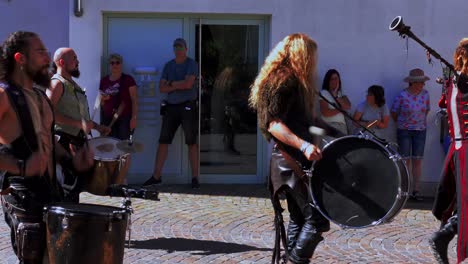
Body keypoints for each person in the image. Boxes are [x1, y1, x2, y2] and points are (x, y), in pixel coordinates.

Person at [0, 31, 93, 263]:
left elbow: (48, 141)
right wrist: (19, 166)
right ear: (20, 59)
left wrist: (71, 161)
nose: (47, 57)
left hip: (50, 193)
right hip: (23, 197)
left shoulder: (41, 98)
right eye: (40, 52)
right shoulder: (4, 96)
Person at [249, 33, 343, 264]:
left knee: (300, 218)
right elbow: (274, 124)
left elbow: (309, 121)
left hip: (292, 161)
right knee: (317, 219)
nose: (313, 60)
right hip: (289, 162)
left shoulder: (295, 82)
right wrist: (303, 145)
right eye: (311, 55)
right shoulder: (282, 80)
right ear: (301, 54)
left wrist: (340, 135)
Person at [47, 47, 110, 202]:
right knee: (67, 190)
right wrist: (78, 124)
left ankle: (70, 224)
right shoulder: (57, 84)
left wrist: (97, 127)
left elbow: (80, 117)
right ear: (61, 62)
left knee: (76, 189)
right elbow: (47, 113)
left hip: (78, 142)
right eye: (74, 58)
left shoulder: (73, 85)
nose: (78, 61)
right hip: (63, 144)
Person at [431, 38, 468, 264]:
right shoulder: (460, 83)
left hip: (458, 149)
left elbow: (444, 103)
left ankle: (443, 237)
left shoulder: (452, 83)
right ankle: (442, 237)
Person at [144, 38, 199, 188]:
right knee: (163, 141)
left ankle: (195, 178)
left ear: (186, 49)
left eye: (180, 47)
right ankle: (156, 176)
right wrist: (179, 84)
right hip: (171, 107)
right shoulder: (169, 66)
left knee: (191, 142)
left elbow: (189, 84)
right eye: (175, 47)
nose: (178, 49)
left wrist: (171, 84)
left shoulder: (191, 64)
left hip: (188, 106)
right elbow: (161, 88)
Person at [391, 68, 431, 201]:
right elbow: (394, 112)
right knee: (405, 160)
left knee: (417, 160)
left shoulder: (425, 95)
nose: (422, 85)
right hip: (404, 130)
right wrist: (404, 123)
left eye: (423, 82)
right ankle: (405, 190)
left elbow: (426, 110)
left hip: (420, 130)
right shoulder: (402, 95)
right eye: (420, 82)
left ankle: (416, 190)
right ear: (412, 83)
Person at [99, 53, 138, 140]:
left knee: (124, 147)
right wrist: (103, 99)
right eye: (112, 63)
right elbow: (101, 103)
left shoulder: (128, 79)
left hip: (124, 119)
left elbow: (134, 100)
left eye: (117, 62)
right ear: (109, 65)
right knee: (108, 146)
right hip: (108, 119)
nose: (115, 65)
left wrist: (134, 118)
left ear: (121, 64)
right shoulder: (104, 81)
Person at [319, 69, 351, 136]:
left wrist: (336, 96)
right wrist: (341, 109)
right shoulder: (324, 93)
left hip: (342, 127)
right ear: (327, 81)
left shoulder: (341, 95)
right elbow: (325, 112)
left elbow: (348, 106)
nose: (334, 81)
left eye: (336, 78)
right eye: (331, 79)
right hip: (330, 126)